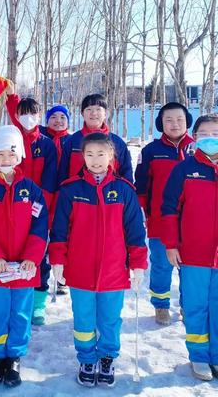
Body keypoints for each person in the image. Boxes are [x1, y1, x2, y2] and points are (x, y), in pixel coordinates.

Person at [50, 133, 147, 388]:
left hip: (114, 272)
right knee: (83, 319)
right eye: (89, 154)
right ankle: (86, 359)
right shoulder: (71, 189)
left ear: (111, 156)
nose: (95, 160)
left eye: (101, 154)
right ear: (83, 156)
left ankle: (106, 357)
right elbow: (59, 229)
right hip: (80, 270)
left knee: (110, 319)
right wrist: (58, 260)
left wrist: (138, 263)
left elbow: (135, 231)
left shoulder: (124, 190)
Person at [0, 125, 48, 387]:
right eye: (1, 154)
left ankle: (14, 358)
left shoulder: (32, 190)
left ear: (20, 157)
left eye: (11, 154)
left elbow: (40, 226)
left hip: (25, 268)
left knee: (21, 314)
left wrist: (32, 258)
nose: (6, 159)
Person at [162, 114, 218, 381]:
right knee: (196, 306)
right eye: (205, 134)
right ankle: (199, 356)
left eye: (216, 133)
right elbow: (170, 209)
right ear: (195, 137)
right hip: (194, 253)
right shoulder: (184, 169)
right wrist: (171, 245)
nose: (211, 138)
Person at [134, 102, 193, 325]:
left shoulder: (198, 148)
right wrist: (143, 213)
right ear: (161, 123)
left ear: (187, 121)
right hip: (160, 220)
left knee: (190, 268)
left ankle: (189, 305)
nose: (174, 124)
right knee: (161, 264)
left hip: (193, 222)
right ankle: (161, 304)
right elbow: (141, 185)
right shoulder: (151, 151)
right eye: (169, 119)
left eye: (179, 119)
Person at [5, 84, 57, 326]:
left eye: (33, 113)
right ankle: (11, 302)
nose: (28, 118)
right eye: (23, 114)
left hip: (39, 211)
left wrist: (40, 211)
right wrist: (11, 96)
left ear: (39, 115)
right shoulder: (13, 139)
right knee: (13, 254)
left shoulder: (46, 143)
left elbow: (50, 179)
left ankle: (37, 305)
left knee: (39, 257)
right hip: (12, 209)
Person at [57, 94, 132, 185]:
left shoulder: (117, 142)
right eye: (89, 109)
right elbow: (62, 174)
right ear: (82, 113)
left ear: (105, 113)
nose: (93, 113)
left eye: (98, 109)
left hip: (110, 196)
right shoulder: (72, 141)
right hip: (76, 196)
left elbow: (126, 175)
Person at [40, 104, 72, 295]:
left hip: (65, 196)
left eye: (62, 117)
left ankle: (63, 278)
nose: (58, 121)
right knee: (43, 241)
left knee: (64, 238)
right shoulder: (42, 139)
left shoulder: (72, 141)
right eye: (53, 117)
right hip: (45, 194)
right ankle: (41, 282)